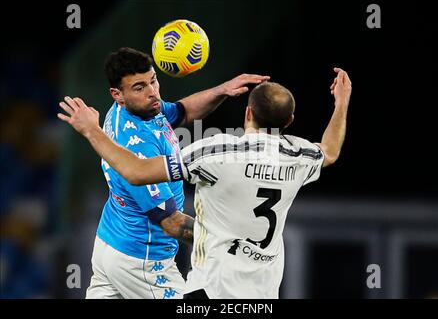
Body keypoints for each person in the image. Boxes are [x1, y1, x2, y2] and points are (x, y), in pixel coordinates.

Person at [58, 67, 352, 298]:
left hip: (210, 289)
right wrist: (341, 103)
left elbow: (136, 171)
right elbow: (330, 151)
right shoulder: (298, 155)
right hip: (263, 293)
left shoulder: (215, 152)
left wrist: (91, 131)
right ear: (289, 121)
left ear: (247, 113)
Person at [60, 47, 270, 299]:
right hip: (142, 260)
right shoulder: (138, 146)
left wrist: (221, 90)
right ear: (118, 94)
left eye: (153, 81)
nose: (152, 92)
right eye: (140, 87)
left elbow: (184, 111)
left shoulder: (136, 110)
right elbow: (171, 223)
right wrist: (231, 240)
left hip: (111, 243)